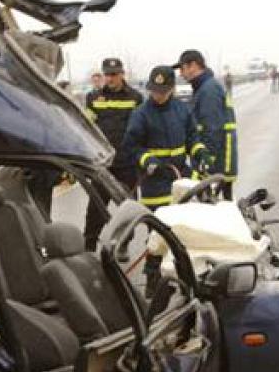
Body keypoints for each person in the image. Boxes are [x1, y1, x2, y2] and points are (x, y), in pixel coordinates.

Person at [123, 65, 203, 293]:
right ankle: (152, 279)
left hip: (179, 178)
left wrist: (199, 152)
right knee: (157, 234)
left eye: (162, 91)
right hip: (155, 182)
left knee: (182, 231)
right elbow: (131, 146)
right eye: (154, 91)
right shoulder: (141, 114)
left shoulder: (182, 110)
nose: (158, 95)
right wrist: (147, 160)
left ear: (172, 89)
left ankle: (185, 278)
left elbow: (193, 137)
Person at [83, 57, 143, 251]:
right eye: (107, 74)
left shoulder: (135, 98)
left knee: (128, 208)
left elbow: (142, 129)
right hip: (103, 165)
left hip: (127, 163)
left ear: (122, 74)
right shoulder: (94, 98)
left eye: (114, 75)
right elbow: (87, 128)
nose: (110, 78)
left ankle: (123, 243)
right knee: (95, 207)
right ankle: (89, 244)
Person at [174, 49, 239, 200]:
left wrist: (206, 161)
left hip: (217, 161)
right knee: (219, 203)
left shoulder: (208, 90)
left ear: (193, 66)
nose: (181, 74)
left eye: (182, 69)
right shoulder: (204, 87)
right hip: (219, 159)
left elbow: (212, 129)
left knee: (215, 205)